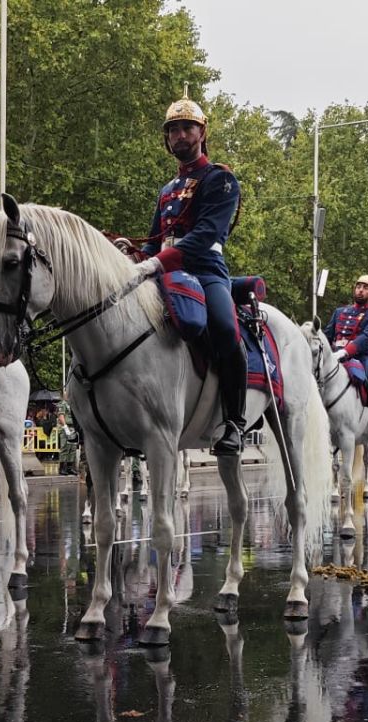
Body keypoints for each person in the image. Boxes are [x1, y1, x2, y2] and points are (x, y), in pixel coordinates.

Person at [124, 98, 247, 456]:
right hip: (164, 270)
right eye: (172, 130)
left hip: (205, 270)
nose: (179, 135)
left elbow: (207, 233)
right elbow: (153, 242)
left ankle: (235, 422)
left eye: (186, 128)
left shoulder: (220, 179)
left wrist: (158, 262)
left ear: (202, 132)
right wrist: (132, 258)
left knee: (225, 328)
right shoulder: (166, 190)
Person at [325, 273, 368, 438]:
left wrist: (345, 352)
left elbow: (366, 337)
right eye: (359, 287)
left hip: (363, 357)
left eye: (366, 288)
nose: (361, 290)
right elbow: (327, 334)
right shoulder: (339, 312)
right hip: (335, 355)